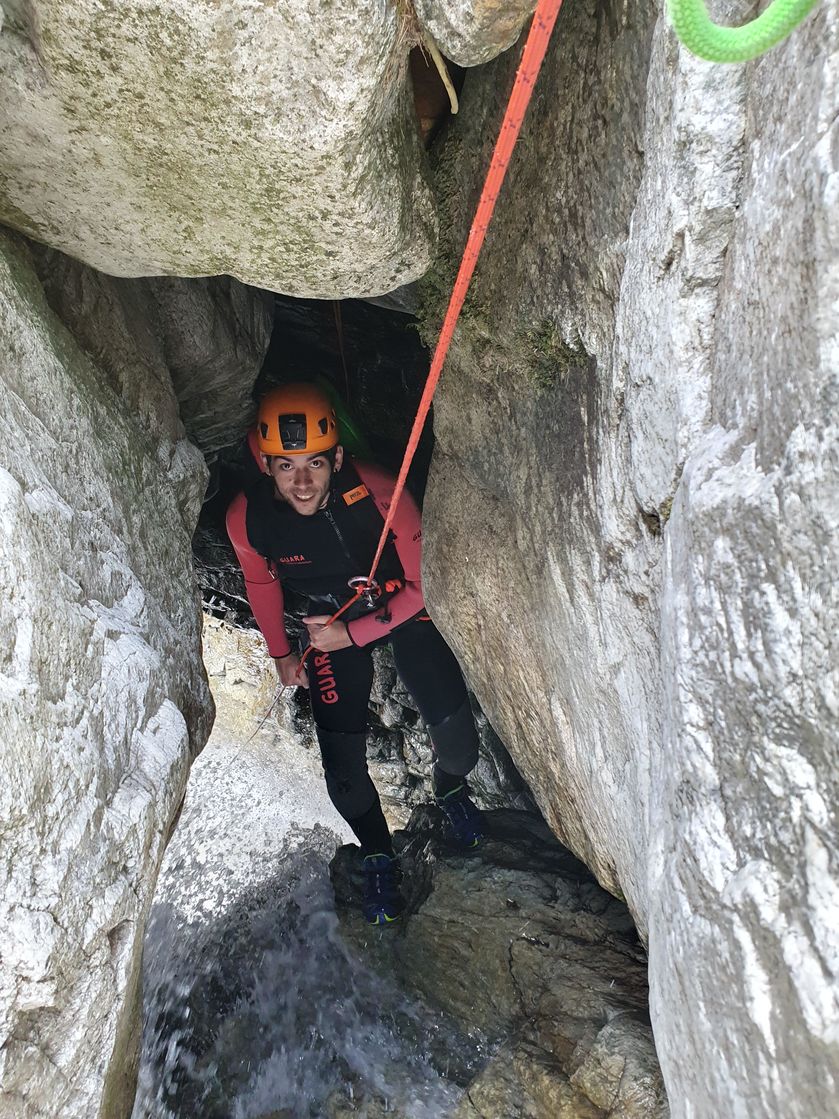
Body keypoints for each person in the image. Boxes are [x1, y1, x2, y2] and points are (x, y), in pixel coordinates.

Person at [226, 382, 482, 925]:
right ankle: (378, 854)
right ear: (265, 464)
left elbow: (423, 589)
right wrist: (280, 655)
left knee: (456, 737)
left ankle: (451, 787)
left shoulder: (384, 495)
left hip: (398, 608)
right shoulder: (248, 519)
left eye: (315, 463)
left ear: (337, 457)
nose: (301, 482)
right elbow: (263, 584)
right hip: (327, 622)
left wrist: (354, 635)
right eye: (285, 466)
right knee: (341, 772)